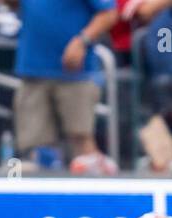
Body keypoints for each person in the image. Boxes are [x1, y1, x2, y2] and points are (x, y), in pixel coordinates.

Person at [8, 0, 120, 171]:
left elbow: (109, 14)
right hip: (32, 71)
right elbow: (13, 4)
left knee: (82, 144)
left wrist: (82, 40)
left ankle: (93, 196)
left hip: (76, 74)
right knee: (34, 148)